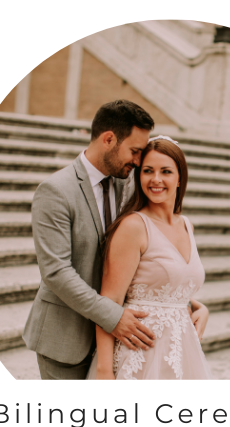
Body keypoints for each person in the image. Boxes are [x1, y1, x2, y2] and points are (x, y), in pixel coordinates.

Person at [23, 100, 158, 379]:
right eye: (134, 151)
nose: (137, 161)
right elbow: (56, 272)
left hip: (114, 343)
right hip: (65, 340)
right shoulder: (56, 191)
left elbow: (146, 252)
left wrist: (188, 304)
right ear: (108, 139)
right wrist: (113, 317)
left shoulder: (127, 183)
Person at [87, 135, 212, 380]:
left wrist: (198, 307)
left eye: (165, 171)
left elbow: (170, 285)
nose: (156, 179)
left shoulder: (187, 225)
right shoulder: (133, 226)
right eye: (147, 171)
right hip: (138, 355)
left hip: (181, 352)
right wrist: (104, 370)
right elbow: (109, 300)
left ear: (179, 178)